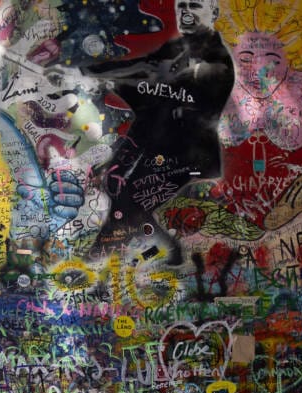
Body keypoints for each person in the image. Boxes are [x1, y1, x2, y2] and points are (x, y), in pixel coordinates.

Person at [84, 0, 234, 248]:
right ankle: (167, 249)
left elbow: (161, 89)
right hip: (156, 148)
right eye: (181, 5)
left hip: (186, 158)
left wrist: (111, 80)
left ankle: (101, 259)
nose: (186, 12)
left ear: (214, 12)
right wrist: (87, 72)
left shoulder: (215, 63)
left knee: (128, 206)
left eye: (195, 6)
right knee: (117, 192)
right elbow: (140, 68)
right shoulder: (176, 47)